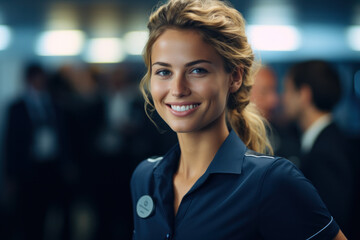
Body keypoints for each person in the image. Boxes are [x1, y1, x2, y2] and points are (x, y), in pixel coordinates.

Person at [130, 0, 346, 239]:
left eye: (197, 70)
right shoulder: (145, 177)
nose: (178, 88)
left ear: (234, 77)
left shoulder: (272, 181)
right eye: (164, 72)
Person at [282, 60, 354, 236]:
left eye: (288, 90)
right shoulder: (331, 140)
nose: (283, 98)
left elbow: (331, 222)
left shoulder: (325, 152)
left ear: (304, 95)